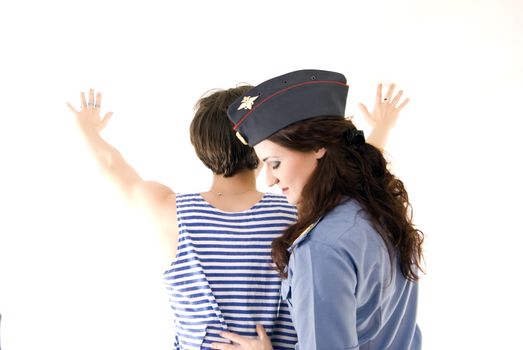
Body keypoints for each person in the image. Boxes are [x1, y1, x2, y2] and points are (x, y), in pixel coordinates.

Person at [66, 80, 399, 350]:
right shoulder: (299, 210)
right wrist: (380, 130)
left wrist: (88, 132)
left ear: (200, 147)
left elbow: (112, 166)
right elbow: (350, 179)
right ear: (260, 145)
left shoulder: (168, 211)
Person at [212, 69, 423, 350]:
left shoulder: (320, 249)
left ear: (317, 147)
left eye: (275, 163)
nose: (270, 180)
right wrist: (383, 127)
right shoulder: (377, 206)